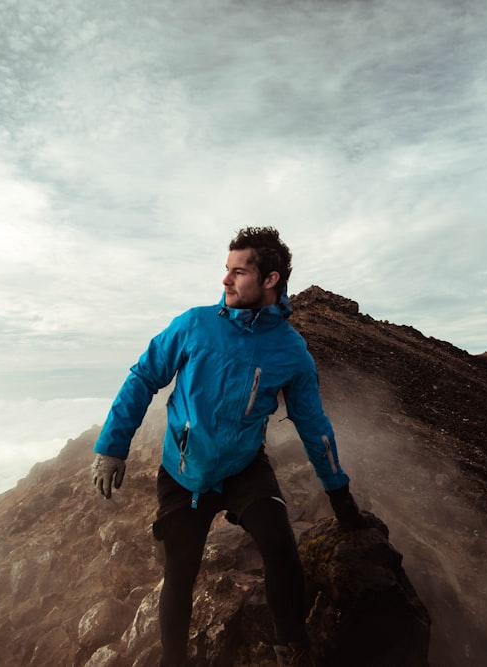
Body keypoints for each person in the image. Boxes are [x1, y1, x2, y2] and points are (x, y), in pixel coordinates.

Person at [91, 226, 365, 667]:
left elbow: (314, 425)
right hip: (184, 469)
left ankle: (289, 643)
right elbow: (143, 377)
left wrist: (339, 494)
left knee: (279, 543)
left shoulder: (291, 351)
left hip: (242, 466)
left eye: (238, 272)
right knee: (179, 574)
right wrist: (112, 446)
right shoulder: (194, 325)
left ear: (270, 279)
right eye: (226, 270)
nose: (225, 280)